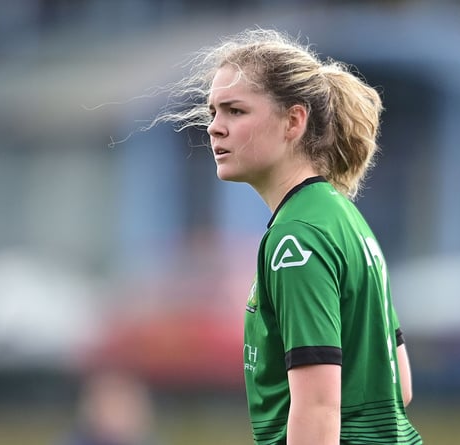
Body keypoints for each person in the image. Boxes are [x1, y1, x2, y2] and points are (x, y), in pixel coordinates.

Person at [153, 28, 422, 445]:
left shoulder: (296, 240)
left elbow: (318, 408)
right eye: (212, 113)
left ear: (294, 120)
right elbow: (398, 384)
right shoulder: (342, 216)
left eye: (236, 111)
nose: (215, 128)